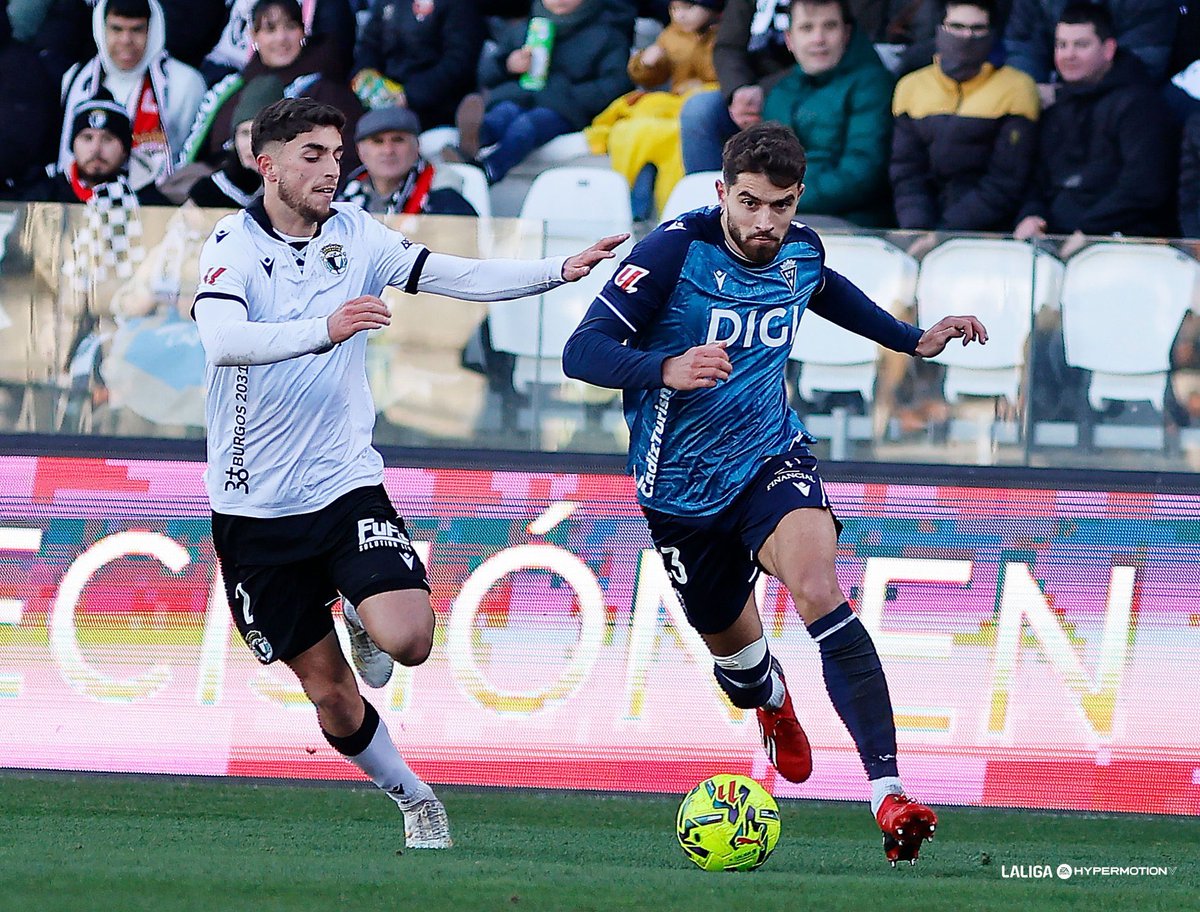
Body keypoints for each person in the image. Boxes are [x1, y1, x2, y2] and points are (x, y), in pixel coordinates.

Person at [192, 96, 626, 849]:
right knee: (329, 693)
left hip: (342, 484)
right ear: (267, 166)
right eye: (313, 156)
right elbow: (223, 340)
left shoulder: (357, 234)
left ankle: (362, 609)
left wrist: (557, 271)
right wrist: (324, 329)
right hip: (252, 509)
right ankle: (414, 796)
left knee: (412, 640)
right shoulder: (230, 245)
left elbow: (454, 273)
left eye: (336, 153)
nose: (333, 169)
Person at [562, 122, 988, 865]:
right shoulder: (672, 253)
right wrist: (665, 366)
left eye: (781, 206)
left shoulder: (800, 247)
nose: (766, 225)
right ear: (722, 192)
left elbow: (827, 290)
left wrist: (910, 338)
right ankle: (772, 700)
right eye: (751, 204)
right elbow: (582, 350)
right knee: (741, 669)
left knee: (821, 588)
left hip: (771, 461)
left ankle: (887, 793)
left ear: (797, 200)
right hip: (679, 494)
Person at [1013, 2, 1175, 242]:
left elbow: (1143, 188)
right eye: (1061, 45)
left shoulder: (1141, 106)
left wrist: (1088, 232)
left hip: (1121, 244)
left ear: (1108, 49)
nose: (1069, 55)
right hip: (1054, 240)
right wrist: (1031, 215)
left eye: (1081, 45)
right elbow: (1035, 180)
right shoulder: (1054, 109)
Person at [445, 0, 632, 185]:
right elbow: (487, 73)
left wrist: (568, 97)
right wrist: (508, 65)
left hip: (565, 110)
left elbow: (614, 85)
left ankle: (489, 169)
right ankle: (473, 139)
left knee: (525, 127)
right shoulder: (527, 28)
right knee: (502, 115)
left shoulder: (607, 35)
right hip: (519, 98)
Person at [890, 0, 1039, 230]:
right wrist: (917, 229)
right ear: (939, 29)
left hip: (991, 231)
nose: (967, 37)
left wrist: (942, 234)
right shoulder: (911, 87)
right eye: (957, 27)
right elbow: (907, 173)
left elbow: (1006, 181)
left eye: (977, 29)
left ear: (992, 34)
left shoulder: (1017, 88)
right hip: (920, 230)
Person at [761, 0, 895, 225]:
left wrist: (782, 199)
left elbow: (863, 175)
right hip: (782, 214)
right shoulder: (780, 91)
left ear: (847, 34)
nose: (818, 39)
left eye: (830, 26)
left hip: (850, 223)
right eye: (807, 28)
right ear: (789, 39)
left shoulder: (873, 85)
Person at [58, 0, 206, 191]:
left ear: (152, 30)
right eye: (116, 29)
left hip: (158, 205)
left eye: (136, 30)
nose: (126, 40)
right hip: (80, 201)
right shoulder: (76, 79)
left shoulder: (185, 83)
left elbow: (191, 160)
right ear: (101, 29)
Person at [350, 0, 486, 131]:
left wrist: (409, 96)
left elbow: (459, 62)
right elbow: (369, 46)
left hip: (437, 110)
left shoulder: (459, 4)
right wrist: (366, 78)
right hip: (384, 103)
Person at [25, 98, 169, 205]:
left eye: (108, 139)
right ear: (72, 145)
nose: (96, 148)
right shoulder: (43, 194)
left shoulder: (145, 200)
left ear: (125, 150)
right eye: (87, 138)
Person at [336, 107, 476, 216]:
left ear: (417, 146)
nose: (388, 150)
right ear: (360, 151)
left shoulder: (442, 192)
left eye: (398, 140)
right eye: (378, 142)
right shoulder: (346, 193)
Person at [187, 75, 283, 208]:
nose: (251, 143)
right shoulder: (209, 192)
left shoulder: (297, 195)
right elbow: (178, 228)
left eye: (262, 133)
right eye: (244, 133)